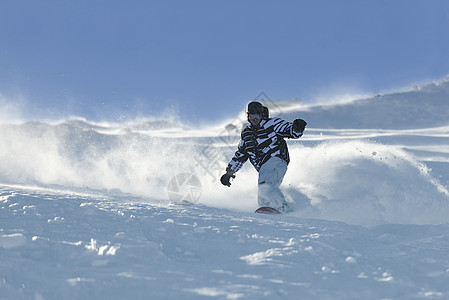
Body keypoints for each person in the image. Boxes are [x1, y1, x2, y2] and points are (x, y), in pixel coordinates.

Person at [220, 101, 307, 213]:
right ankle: (282, 210)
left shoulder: (272, 124)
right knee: (264, 190)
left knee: (265, 185)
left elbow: (289, 130)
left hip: (276, 159)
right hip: (264, 167)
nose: (255, 119)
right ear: (248, 116)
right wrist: (229, 172)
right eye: (252, 116)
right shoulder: (247, 133)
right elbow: (241, 154)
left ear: (262, 115)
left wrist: (297, 128)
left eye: (257, 116)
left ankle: (279, 206)